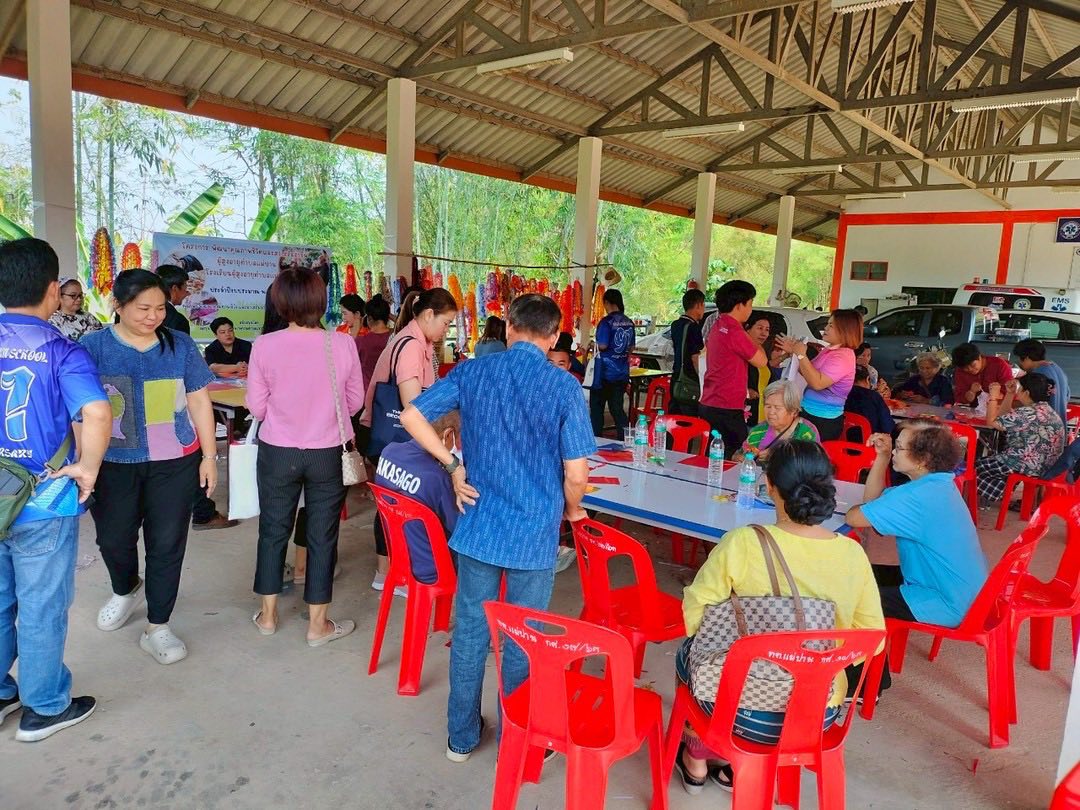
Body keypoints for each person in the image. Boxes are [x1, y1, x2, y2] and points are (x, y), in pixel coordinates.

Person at [400, 293, 595, 763]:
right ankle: (519, 736)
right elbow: (577, 474)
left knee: (471, 631)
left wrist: (452, 466)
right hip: (533, 533)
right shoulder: (564, 386)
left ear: (508, 328)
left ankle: (461, 737)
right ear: (554, 337)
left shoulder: (473, 372)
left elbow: (411, 415)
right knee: (525, 637)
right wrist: (572, 511)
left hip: (480, 524)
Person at [674, 440, 884, 793]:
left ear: (770, 487)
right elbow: (872, 641)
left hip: (740, 714)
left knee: (688, 653)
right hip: (818, 715)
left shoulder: (744, 542)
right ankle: (737, 770)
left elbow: (696, 611)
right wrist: (809, 659)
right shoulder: (853, 554)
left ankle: (697, 757)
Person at [0, 238, 111, 742]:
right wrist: (88, 468)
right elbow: (97, 411)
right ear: (51, 290)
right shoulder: (63, 351)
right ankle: (44, 707)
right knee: (41, 605)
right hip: (43, 498)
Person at [81, 269, 219, 666]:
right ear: (118, 305)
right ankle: (126, 588)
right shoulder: (93, 347)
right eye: (143, 308)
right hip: (113, 461)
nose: (153, 316)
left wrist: (209, 457)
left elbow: (198, 401)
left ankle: (158, 625)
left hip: (174, 460)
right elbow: (79, 409)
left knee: (167, 543)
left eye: (160, 308)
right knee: (113, 539)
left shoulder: (180, 344)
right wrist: (82, 464)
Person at [247, 268, 365, 645]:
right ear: (320, 300)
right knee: (322, 535)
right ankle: (318, 626)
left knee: (272, 530)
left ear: (280, 302)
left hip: (278, 451)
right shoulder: (342, 344)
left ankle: (268, 617)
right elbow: (355, 403)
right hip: (327, 452)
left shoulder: (264, 345)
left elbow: (257, 408)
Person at [846, 424, 988, 631]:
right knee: (855, 573)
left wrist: (858, 508)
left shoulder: (915, 497)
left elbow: (854, 517)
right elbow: (872, 504)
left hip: (945, 601)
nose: (894, 452)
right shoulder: (938, 485)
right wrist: (883, 456)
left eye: (899, 448)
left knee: (845, 596)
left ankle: (853, 650)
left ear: (923, 459)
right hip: (961, 591)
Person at [362, 288, 458, 592]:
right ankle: (393, 572)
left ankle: (393, 571)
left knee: (395, 501)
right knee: (397, 503)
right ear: (429, 314)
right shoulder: (412, 347)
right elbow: (412, 407)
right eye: (446, 323)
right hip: (394, 437)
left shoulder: (417, 341)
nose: (446, 331)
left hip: (395, 438)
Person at [374, 412, 461, 584]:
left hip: (398, 556)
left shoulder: (388, 451)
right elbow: (456, 526)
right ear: (448, 434)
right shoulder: (437, 476)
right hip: (432, 568)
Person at [699, 280, 767, 455]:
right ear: (739, 306)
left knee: (715, 454)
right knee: (739, 455)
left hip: (711, 400)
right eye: (750, 304)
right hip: (727, 406)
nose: (751, 310)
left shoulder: (718, 324)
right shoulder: (736, 331)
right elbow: (761, 361)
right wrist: (752, 336)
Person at [974, 374, 1065, 505]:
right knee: (984, 467)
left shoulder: (1028, 413)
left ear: (1026, 393)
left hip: (1024, 465)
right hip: (1043, 466)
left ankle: (973, 499)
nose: (1018, 391)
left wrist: (993, 397)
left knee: (970, 468)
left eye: (1019, 389)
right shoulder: (1046, 410)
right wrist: (1009, 394)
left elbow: (992, 423)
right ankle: (998, 492)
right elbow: (1003, 419)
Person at [775, 309, 862, 441]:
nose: (825, 328)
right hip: (808, 412)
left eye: (831, 325)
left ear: (845, 330)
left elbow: (817, 383)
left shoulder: (843, 356)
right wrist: (794, 353)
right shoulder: (829, 351)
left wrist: (801, 355)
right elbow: (808, 374)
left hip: (823, 419)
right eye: (827, 324)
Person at [588, 289, 635, 438]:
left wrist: (592, 344)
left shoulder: (606, 322)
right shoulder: (629, 322)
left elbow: (602, 345)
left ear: (607, 303)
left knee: (597, 409)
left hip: (604, 373)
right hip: (621, 373)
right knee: (617, 409)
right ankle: (625, 439)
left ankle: (596, 440)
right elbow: (631, 348)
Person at [738, 380, 819, 462]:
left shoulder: (806, 432)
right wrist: (743, 457)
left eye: (777, 408)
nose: (771, 412)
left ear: (793, 411)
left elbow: (812, 463)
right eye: (768, 406)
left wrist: (776, 456)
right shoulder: (759, 430)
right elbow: (740, 454)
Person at [1014, 338, 1070, 424]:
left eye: (1020, 360)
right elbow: (1067, 397)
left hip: (1042, 427)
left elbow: (1029, 404)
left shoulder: (1037, 376)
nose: (1020, 364)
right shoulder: (1057, 369)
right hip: (1059, 427)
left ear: (1027, 358)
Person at [670, 288, 706, 417]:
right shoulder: (694, 327)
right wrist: (702, 379)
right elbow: (695, 358)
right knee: (689, 420)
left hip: (677, 377)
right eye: (703, 306)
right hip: (689, 380)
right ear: (698, 305)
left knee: (674, 418)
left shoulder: (675, 325)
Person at [745, 313, 777, 425]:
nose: (764, 333)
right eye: (760, 328)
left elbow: (766, 370)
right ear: (748, 328)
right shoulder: (742, 349)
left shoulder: (761, 350)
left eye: (767, 330)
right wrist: (745, 391)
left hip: (762, 408)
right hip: (747, 407)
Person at [845, 366, 896, 436]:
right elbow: (888, 426)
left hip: (841, 440)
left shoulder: (839, 394)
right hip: (870, 440)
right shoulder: (874, 396)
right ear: (867, 379)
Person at [356, 294, 393, 389]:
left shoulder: (361, 341)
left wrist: (357, 329)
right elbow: (403, 325)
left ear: (369, 318)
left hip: (367, 390)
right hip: (390, 391)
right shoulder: (395, 336)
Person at [155, 264, 191, 335]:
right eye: (185, 289)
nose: (187, 293)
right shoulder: (178, 321)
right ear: (175, 288)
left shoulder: (143, 313)